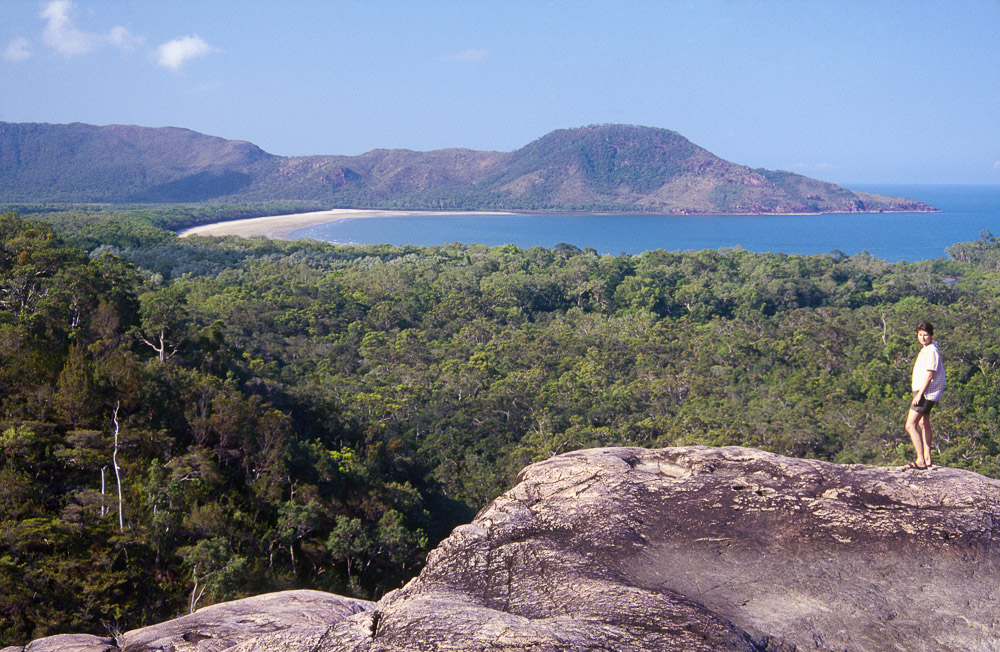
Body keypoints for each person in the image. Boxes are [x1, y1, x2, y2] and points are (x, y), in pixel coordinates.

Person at [903, 321, 945, 470]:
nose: (922, 337)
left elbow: (929, 374)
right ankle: (927, 458)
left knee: (910, 425)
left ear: (931, 335)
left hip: (926, 393)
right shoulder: (926, 349)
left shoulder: (932, 351)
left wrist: (919, 395)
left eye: (925, 335)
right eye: (920, 335)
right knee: (923, 423)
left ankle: (920, 460)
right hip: (925, 392)